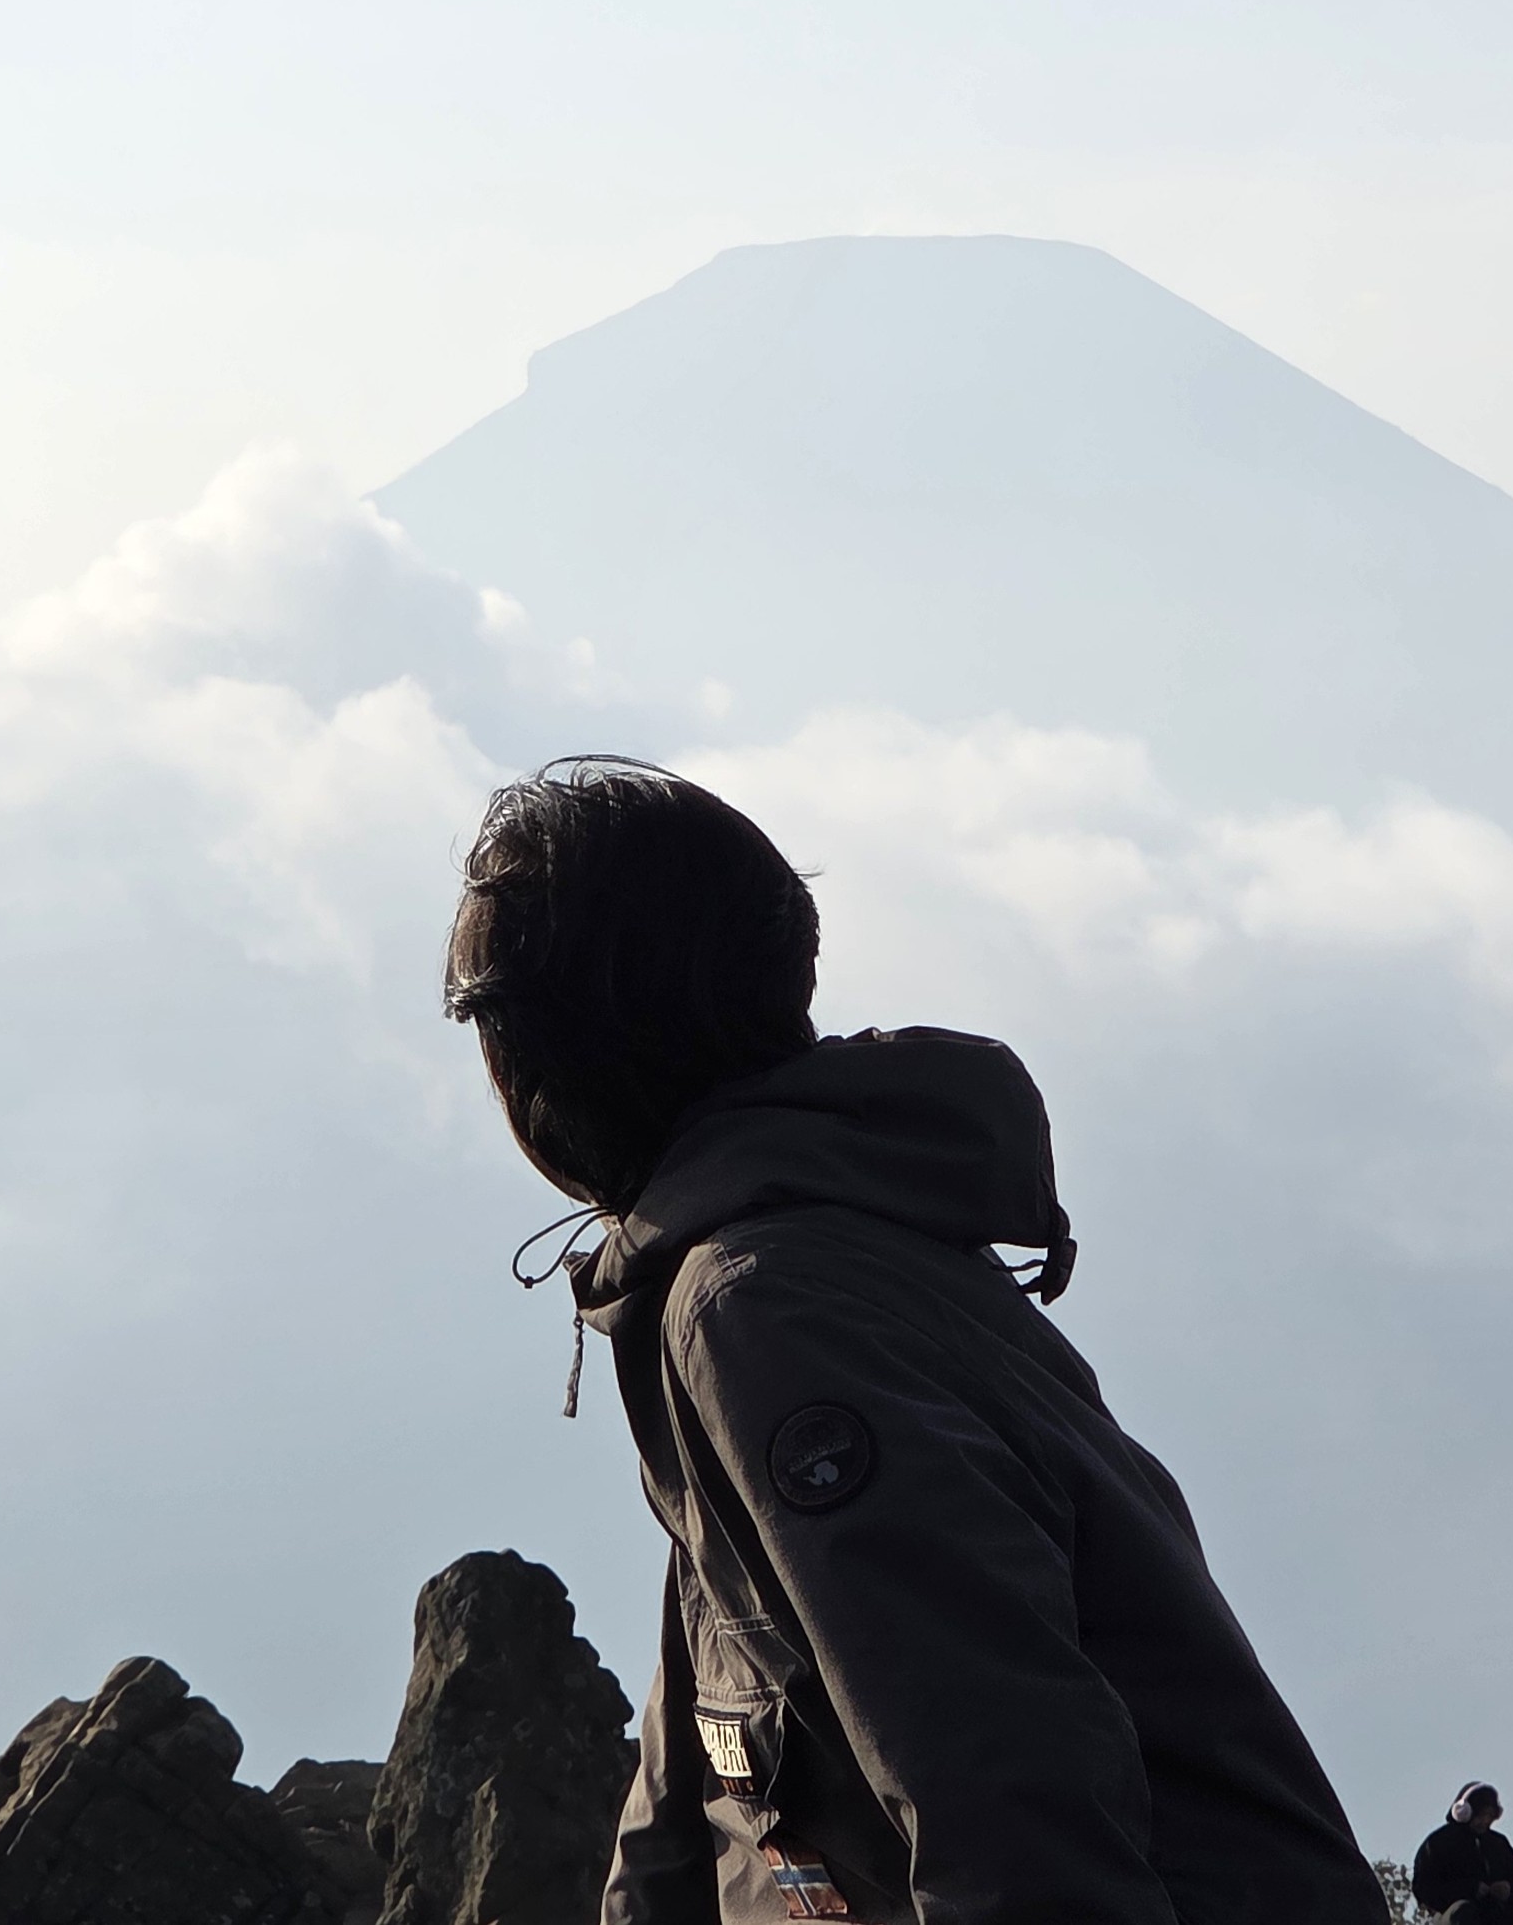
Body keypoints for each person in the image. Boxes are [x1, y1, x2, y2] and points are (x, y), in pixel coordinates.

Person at [444, 758, 1392, 1925]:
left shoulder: (765, 1308)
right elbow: (703, 1772)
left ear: (556, 1055)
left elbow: (1005, 1791)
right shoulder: (809, 1264)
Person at [1408, 1785, 1513, 1925]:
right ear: (1464, 1811)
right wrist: (1470, 1889)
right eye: (1481, 1815)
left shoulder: (1498, 1843)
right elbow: (1424, 1888)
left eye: (1489, 1816)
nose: (1485, 1821)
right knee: (1464, 1911)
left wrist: (1509, 1889)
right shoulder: (1438, 1842)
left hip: (1495, 1912)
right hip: (1451, 1915)